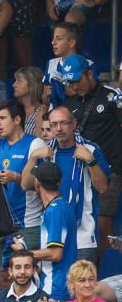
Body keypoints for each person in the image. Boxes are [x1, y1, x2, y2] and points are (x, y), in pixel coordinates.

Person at [26, 105, 108, 263]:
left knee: (82, 287)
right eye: (54, 125)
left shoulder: (90, 149)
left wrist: (91, 161)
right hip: (53, 233)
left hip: (83, 237)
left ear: (74, 124)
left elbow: (103, 187)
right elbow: (25, 185)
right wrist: (33, 158)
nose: (59, 128)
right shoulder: (46, 152)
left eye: (64, 123)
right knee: (55, 283)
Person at [59, 54, 122, 248]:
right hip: (79, 171)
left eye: (77, 80)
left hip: (109, 169)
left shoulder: (113, 95)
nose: (74, 86)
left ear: (89, 73)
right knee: (79, 221)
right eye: (70, 82)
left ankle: (97, 271)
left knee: (103, 224)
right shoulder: (70, 104)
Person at [0, 101, 47, 250]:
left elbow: (43, 184)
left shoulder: (35, 144)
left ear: (17, 120)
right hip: (0, 223)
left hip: (28, 223)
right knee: (2, 272)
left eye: (2, 118)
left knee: (23, 272)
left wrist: (16, 178)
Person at [17, 162, 76, 302]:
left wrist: (24, 253)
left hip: (56, 287)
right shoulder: (60, 206)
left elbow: (55, 254)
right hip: (59, 283)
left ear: (37, 183)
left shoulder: (55, 211)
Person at [43, 21, 96, 109]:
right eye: (53, 38)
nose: (53, 42)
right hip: (54, 115)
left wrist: (62, 88)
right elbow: (45, 101)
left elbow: (91, 96)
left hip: (79, 113)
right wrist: (48, 95)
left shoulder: (88, 64)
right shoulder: (50, 64)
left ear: (71, 43)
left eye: (58, 39)